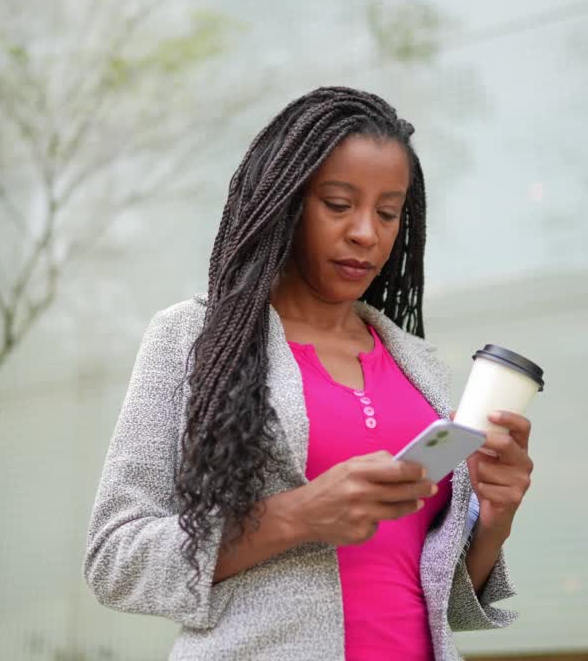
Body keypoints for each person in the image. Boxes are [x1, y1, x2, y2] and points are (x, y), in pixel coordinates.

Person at [82, 86, 535, 660]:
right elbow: (114, 558)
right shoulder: (196, 340)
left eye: (388, 212)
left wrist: (494, 518)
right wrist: (294, 516)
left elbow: (430, 597)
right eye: (340, 205)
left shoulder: (415, 365)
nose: (366, 233)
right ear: (287, 202)